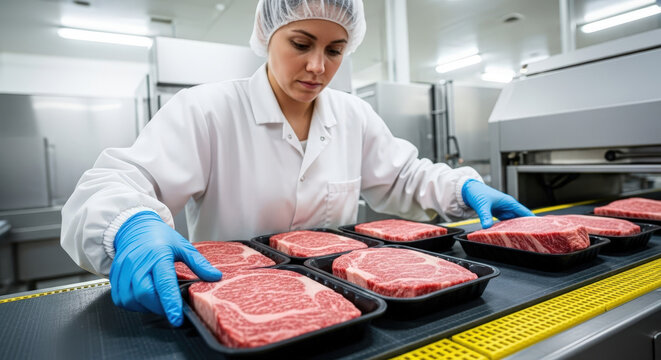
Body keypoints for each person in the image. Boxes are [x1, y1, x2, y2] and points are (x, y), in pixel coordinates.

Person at [61, 0, 533, 327]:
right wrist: (131, 225)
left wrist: (463, 188)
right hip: (235, 303)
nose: (317, 67)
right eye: (301, 44)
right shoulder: (206, 109)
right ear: (268, 35)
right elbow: (118, 180)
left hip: (346, 307)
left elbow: (403, 176)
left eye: (334, 51)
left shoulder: (352, 114)